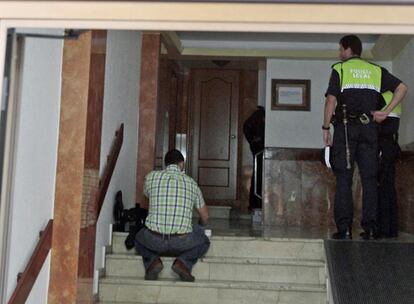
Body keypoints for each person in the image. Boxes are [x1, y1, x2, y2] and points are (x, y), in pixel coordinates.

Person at [323, 34, 407, 240]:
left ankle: (344, 229)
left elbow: (331, 101)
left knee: (344, 177)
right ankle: (370, 228)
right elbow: (402, 87)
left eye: (340, 49)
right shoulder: (375, 70)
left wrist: (325, 128)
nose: (339, 53)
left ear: (347, 49)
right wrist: (385, 112)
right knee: (369, 179)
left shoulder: (340, 69)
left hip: (345, 129)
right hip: (369, 128)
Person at [135, 149, 210, 281]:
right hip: (181, 241)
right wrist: (200, 226)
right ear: (181, 164)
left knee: (137, 238)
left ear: (166, 164)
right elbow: (205, 217)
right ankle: (183, 263)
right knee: (204, 242)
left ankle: (153, 262)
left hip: (154, 239)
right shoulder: (192, 183)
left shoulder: (151, 177)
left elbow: (146, 195)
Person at [378, 91, 402, 238]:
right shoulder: (393, 95)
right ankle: (391, 228)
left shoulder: (381, 97)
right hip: (391, 146)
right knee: (389, 187)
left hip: (382, 146)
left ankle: (383, 228)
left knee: (381, 187)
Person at [243, 106, 265, 211]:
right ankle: (256, 203)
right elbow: (247, 127)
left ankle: (257, 203)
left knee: (259, 176)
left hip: (261, 150)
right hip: (259, 151)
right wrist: (254, 140)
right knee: (258, 176)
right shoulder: (259, 114)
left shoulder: (262, 115)